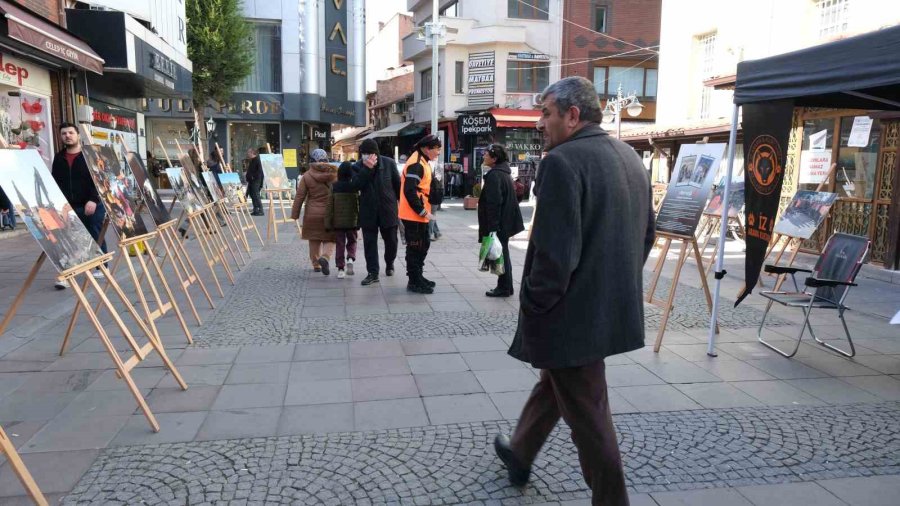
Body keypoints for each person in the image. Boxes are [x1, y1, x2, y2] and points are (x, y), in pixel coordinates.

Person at [493, 76, 655, 505]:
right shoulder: (629, 156)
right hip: (604, 309)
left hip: (569, 315)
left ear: (573, 115)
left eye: (545, 113)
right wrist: (611, 286)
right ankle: (520, 451)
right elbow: (646, 237)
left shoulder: (563, 162)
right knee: (557, 382)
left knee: (589, 416)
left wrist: (533, 305)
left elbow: (553, 254)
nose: (539, 124)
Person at [51, 123, 107, 289]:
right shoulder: (59, 158)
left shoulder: (90, 155)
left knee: (94, 232)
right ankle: (67, 273)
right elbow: (56, 181)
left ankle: (101, 265)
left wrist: (93, 199)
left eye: (70, 133)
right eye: (64, 134)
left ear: (78, 135)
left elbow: (100, 179)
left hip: (91, 202)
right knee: (67, 237)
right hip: (70, 205)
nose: (67, 136)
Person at [351, 139, 401, 286]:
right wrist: (366, 169)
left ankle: (389, 262)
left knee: (392, 241)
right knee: (370, 244)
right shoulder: (357, 167)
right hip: (368, 211)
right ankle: (373, 272)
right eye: (364, 154)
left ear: (376, 153)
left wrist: (403, 208)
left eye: (369, 153)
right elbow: (355, 185)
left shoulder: (389, 164)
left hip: (388, 210)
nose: (367, 156)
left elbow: (398, 187)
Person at [477, 144, 524, 298]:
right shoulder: (503, 173)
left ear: (494, 158)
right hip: (506, 221)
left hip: (500, 224)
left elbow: (494, 203)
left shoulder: (495, 175)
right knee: (503, 254)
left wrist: (493, 227)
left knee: (501, 255)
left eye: (486, 154)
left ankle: (504, 288)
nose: (484, 156)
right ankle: (505, 286)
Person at [399, 134, 441, 294]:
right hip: (413, 215)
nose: (438, 152)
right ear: (426, 149)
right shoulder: (416, 164)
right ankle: (414, 281)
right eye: (436, 149)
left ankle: (418, 276)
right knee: (415, 247)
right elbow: (409, 191)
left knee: (423, 245)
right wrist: (423, 211)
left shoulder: (422, 161)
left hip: (418, 214)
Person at [292, 149, 337, 274]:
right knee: (331, 238)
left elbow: (300, 196)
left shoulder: (306, 176)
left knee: (314, 238)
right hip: (330, 212)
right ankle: (325, 257)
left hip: (312, 213)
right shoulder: (334, 174)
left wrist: (295, 214)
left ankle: (316, 264)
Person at [325, 161, 359, 279]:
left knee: (340, 244)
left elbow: (329, 205)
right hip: (352, 221)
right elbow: (358, 205)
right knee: (352, 241)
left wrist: (328, 222)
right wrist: (359, 220)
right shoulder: (354, 186)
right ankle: (350, 258)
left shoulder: (334, 186)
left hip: (338, 222)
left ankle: (340, 269)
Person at [245, 147, 264, 215]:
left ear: (252, 153)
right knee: (252, 195)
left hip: (256, 181)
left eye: (249, 152)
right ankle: (255, 209)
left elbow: (259, 172)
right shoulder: (252, 160)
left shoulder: (257, 160)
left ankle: (261, 210)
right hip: (252, 180)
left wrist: (253, 177)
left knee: (256, 195)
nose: (248, 154)